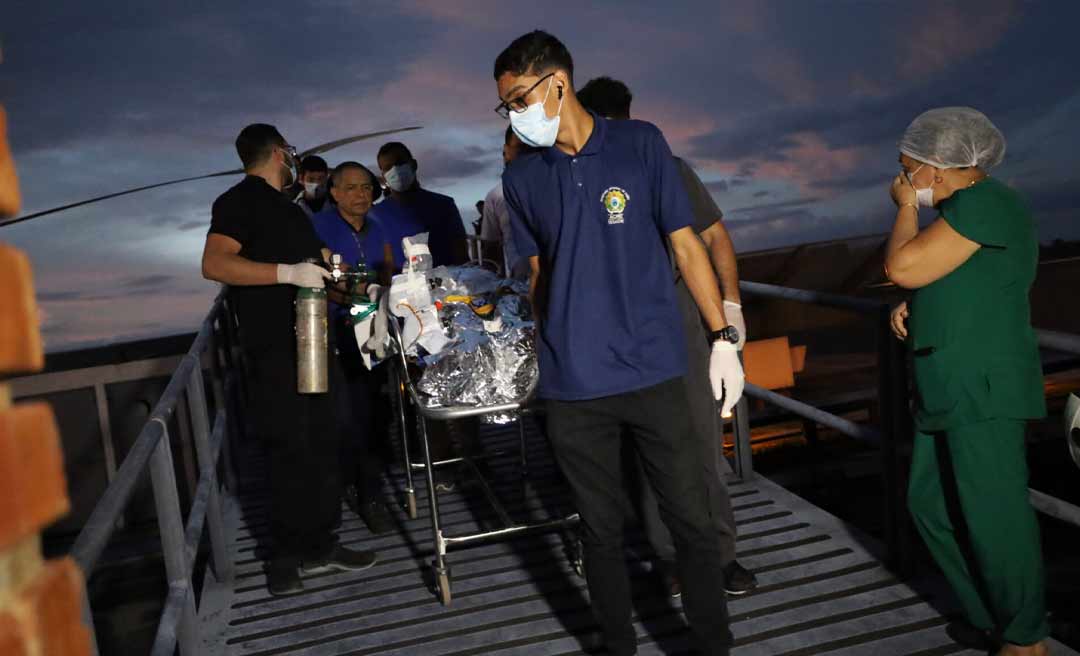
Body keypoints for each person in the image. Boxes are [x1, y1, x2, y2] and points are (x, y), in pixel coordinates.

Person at [494, 31, 742, 656]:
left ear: (557, 83)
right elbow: (536, 276)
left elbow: (688, 244)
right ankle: (617, 646)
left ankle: (713, 644)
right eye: (505, 107)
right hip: (574, 384)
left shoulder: (642, 143)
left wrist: (722, 335)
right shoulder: (522, 180)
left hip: (655, 367)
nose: (515, 116)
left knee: (690, 519)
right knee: (600, 531)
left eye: (518, 99)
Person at [576, 75, 756, 597]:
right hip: (613, 333)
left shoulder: (667, 168)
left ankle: (717, 557)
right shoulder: (574, 180)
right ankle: (671, 557)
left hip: (677, 326)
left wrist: (729, 309)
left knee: (699, 447)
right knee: (645, 447)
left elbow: (713, 236)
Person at [885, 108, 1048, 656]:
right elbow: (948, 278)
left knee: (994, 516)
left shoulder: (985, 203)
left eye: (909, 169)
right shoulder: (964, 212)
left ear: (936, 167)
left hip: (982, 387)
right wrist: (917, 308)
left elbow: (903, 266)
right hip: (945, 384)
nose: (902, 178)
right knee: (930, 504)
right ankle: (992, 619)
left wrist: (905, 209)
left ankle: (1025, 639)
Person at [201, 124, 376, 596]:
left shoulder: (290, 209)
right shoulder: (239, 200)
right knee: (287, 448)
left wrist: (343, 278)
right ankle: (285, 560)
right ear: (279, 153)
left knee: (321, 443)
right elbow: (215, 264)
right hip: (275, 350)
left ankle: (320, 545)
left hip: (313, 344)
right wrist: (284, 272)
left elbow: (318, 266)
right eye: (291, 153)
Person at [310, 162, 395, 535]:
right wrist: (356, 292)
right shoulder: (319, 227)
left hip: (377, 327)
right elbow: (321, 276)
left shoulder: (378, 226)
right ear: (335, 191)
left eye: (366, 188)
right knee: (353, 415)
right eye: (352, 188)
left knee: (375, 410)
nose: (361, 195)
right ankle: (368, 496)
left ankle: (365, 480)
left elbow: (390, 269)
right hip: (338, 331)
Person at [369, 141, 468, 269]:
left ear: (414, 164)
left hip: (445, 285)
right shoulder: (375, 216)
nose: (395, 170)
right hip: (398, 287)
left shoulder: (444, 206)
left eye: (399, 163)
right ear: (383, 176)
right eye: (388, 168)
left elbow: (462, 256)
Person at [480, 126, 534, 279]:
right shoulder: (496, 195)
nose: (526, 154)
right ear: (506, 151)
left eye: (531, 147)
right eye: (521, 147)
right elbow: (490, 249)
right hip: (523, 286)